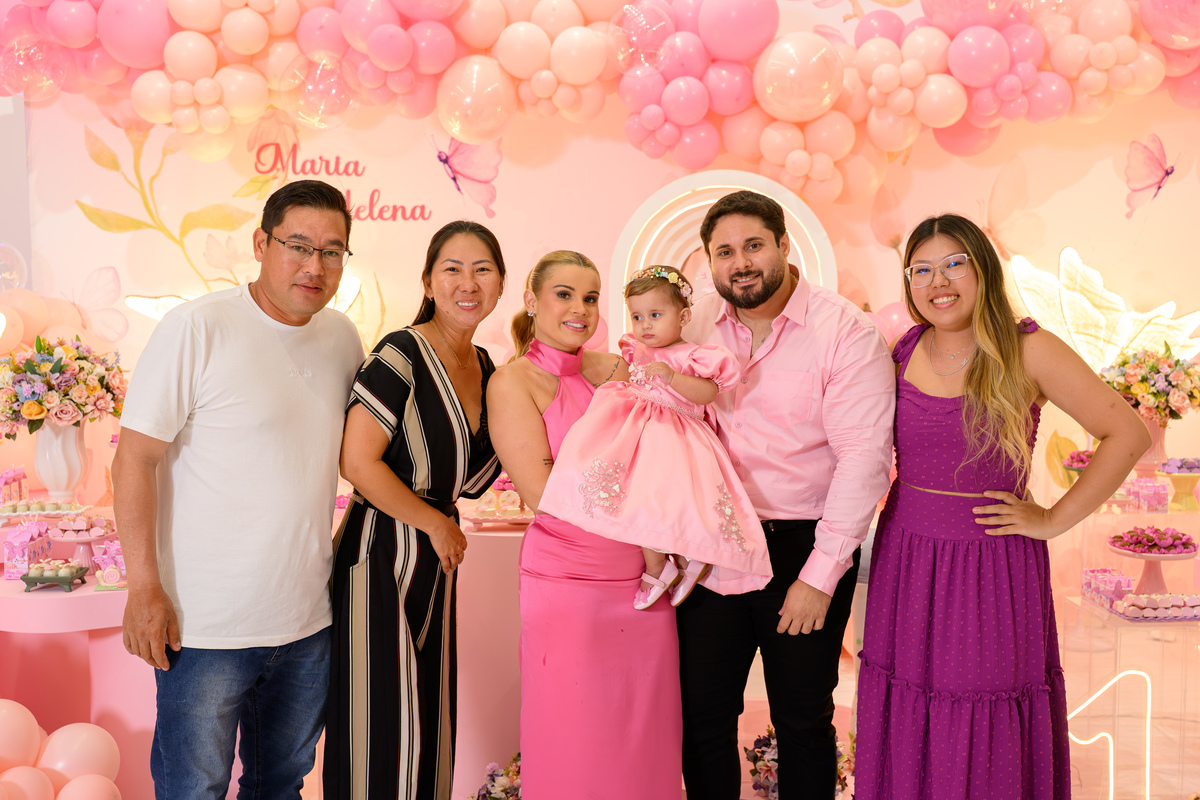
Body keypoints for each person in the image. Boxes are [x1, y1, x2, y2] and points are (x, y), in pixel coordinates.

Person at [854, 214, 1149, 800]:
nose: (939, 282)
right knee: (909, 706)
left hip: (990, 568)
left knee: (982, 710)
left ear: (983, 269)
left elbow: (1128, 433)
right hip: (906, 561)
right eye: (921, 270)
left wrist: (1054, 519)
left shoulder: (1028, 348)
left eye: (953, 264)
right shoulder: (902, 350)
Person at [113, 179, 364, 800]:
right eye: (298, 245)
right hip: (205, 627)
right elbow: (134, 461)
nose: (315, 266)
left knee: (281, 786)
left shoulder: (341, 338)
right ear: (260, 243)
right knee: (192, 789)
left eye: (332, 251)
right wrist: (144, 587)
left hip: (306, 621)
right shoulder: (196, 328)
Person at [679, 190, 895, 799]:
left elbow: (864, 461)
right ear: (708, 260)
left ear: (783, 245)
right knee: (701, 719)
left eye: (753, 246)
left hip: (801, 546)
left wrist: (819, 576)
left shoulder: (845, 331)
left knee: (802, 721)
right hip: (711, 546)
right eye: (724, 252)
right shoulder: (693, 325)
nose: (740, 263)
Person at [486, 251, 683, 799]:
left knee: (644, 736)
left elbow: (668, 449)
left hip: (644, 585)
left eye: (591, 298)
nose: (580, 309)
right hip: (568, 585)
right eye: (564, 294)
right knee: (574, 736)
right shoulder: (511, 383)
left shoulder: (618, 369)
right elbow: (544, 492)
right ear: (532, 301)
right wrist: (643, 497)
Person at [324, 220, 505, 800]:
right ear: (428, 281)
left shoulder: (486, 366)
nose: (467, 283)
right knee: (380, 724)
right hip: (379, 553)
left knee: (428, 719)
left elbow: (475, 477)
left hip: (434, 560)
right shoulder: (401, 352)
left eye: (482, 269)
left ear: (501, 283)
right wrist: (433, 522)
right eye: (452, 269)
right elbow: (357, 461)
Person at [539, 264, 772, 609]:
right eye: (637, 317)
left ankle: (682, 558)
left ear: (683, 316)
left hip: (677, 434)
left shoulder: (693, 355)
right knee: (639, 502)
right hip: (640, 433)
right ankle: (662, 564)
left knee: (673, 502)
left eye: (655, 315)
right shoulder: (636, 349)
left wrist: (672, 377)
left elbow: (708, 393)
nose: (645, 325)